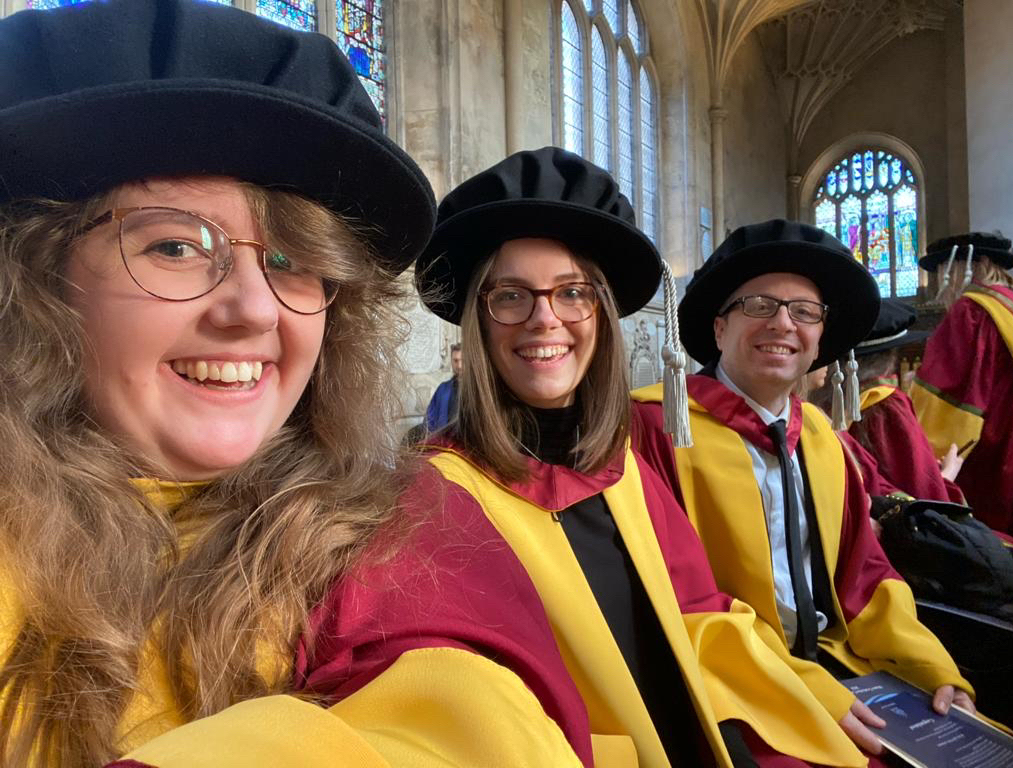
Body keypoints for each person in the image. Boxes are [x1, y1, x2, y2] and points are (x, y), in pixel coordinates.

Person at [0, 3, 592, 766]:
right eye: (175, 247)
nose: (254, 309)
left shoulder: (402, 532)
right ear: (36, 281)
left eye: (292, 262)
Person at [415, 148, 876, 768]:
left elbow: (701, 614)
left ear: (601, 316)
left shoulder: (622, 470)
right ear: (478, 318)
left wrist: (805, 691)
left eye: (573, 292)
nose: (545, 318)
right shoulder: (434, 500)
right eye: (510, 295)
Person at [631, 220, 975, 759]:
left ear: (819, 340)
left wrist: (928, 666)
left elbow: (865, 572)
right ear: (719, 328)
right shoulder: (656, 429)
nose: (783, 323)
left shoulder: (820, 435)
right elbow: (672, 592)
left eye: (805, 311)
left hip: (836, 662)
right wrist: (803, 689)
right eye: (759, 305)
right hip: (724, 681)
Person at [911, 232, 1013, 542]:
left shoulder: (971, 311)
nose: (941, 281)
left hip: (999, 440)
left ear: (974, 264)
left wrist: (922, 454)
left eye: (947, 269)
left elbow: (949, 395)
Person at [810, 299, 965, 504]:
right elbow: (922, 495)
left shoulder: (815, 404)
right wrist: (946, 475)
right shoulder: (885, 406)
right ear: (890, 357)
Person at [424, 343, 462, 431]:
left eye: (463, 360)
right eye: (455, 361)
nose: (459, 366)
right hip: (444, 438)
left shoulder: (477, 390)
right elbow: (429, 421)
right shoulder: (442, 389)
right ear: (451, 362)